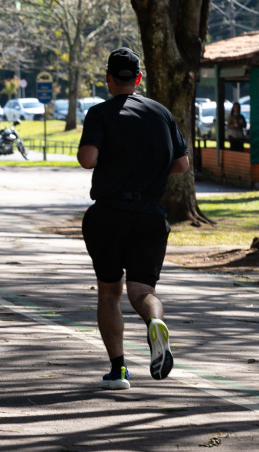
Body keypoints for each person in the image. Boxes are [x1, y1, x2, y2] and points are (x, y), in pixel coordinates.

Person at [76, 48, 190, 391]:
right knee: (143, 290)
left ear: (109, 79)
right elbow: (182, 165)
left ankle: (119, 370)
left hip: (110, 214)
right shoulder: (161, 113)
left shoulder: (100, 113)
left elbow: (87, 159)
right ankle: (155, 322)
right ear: (138, 79)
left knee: (110, 292)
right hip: (150, 216)